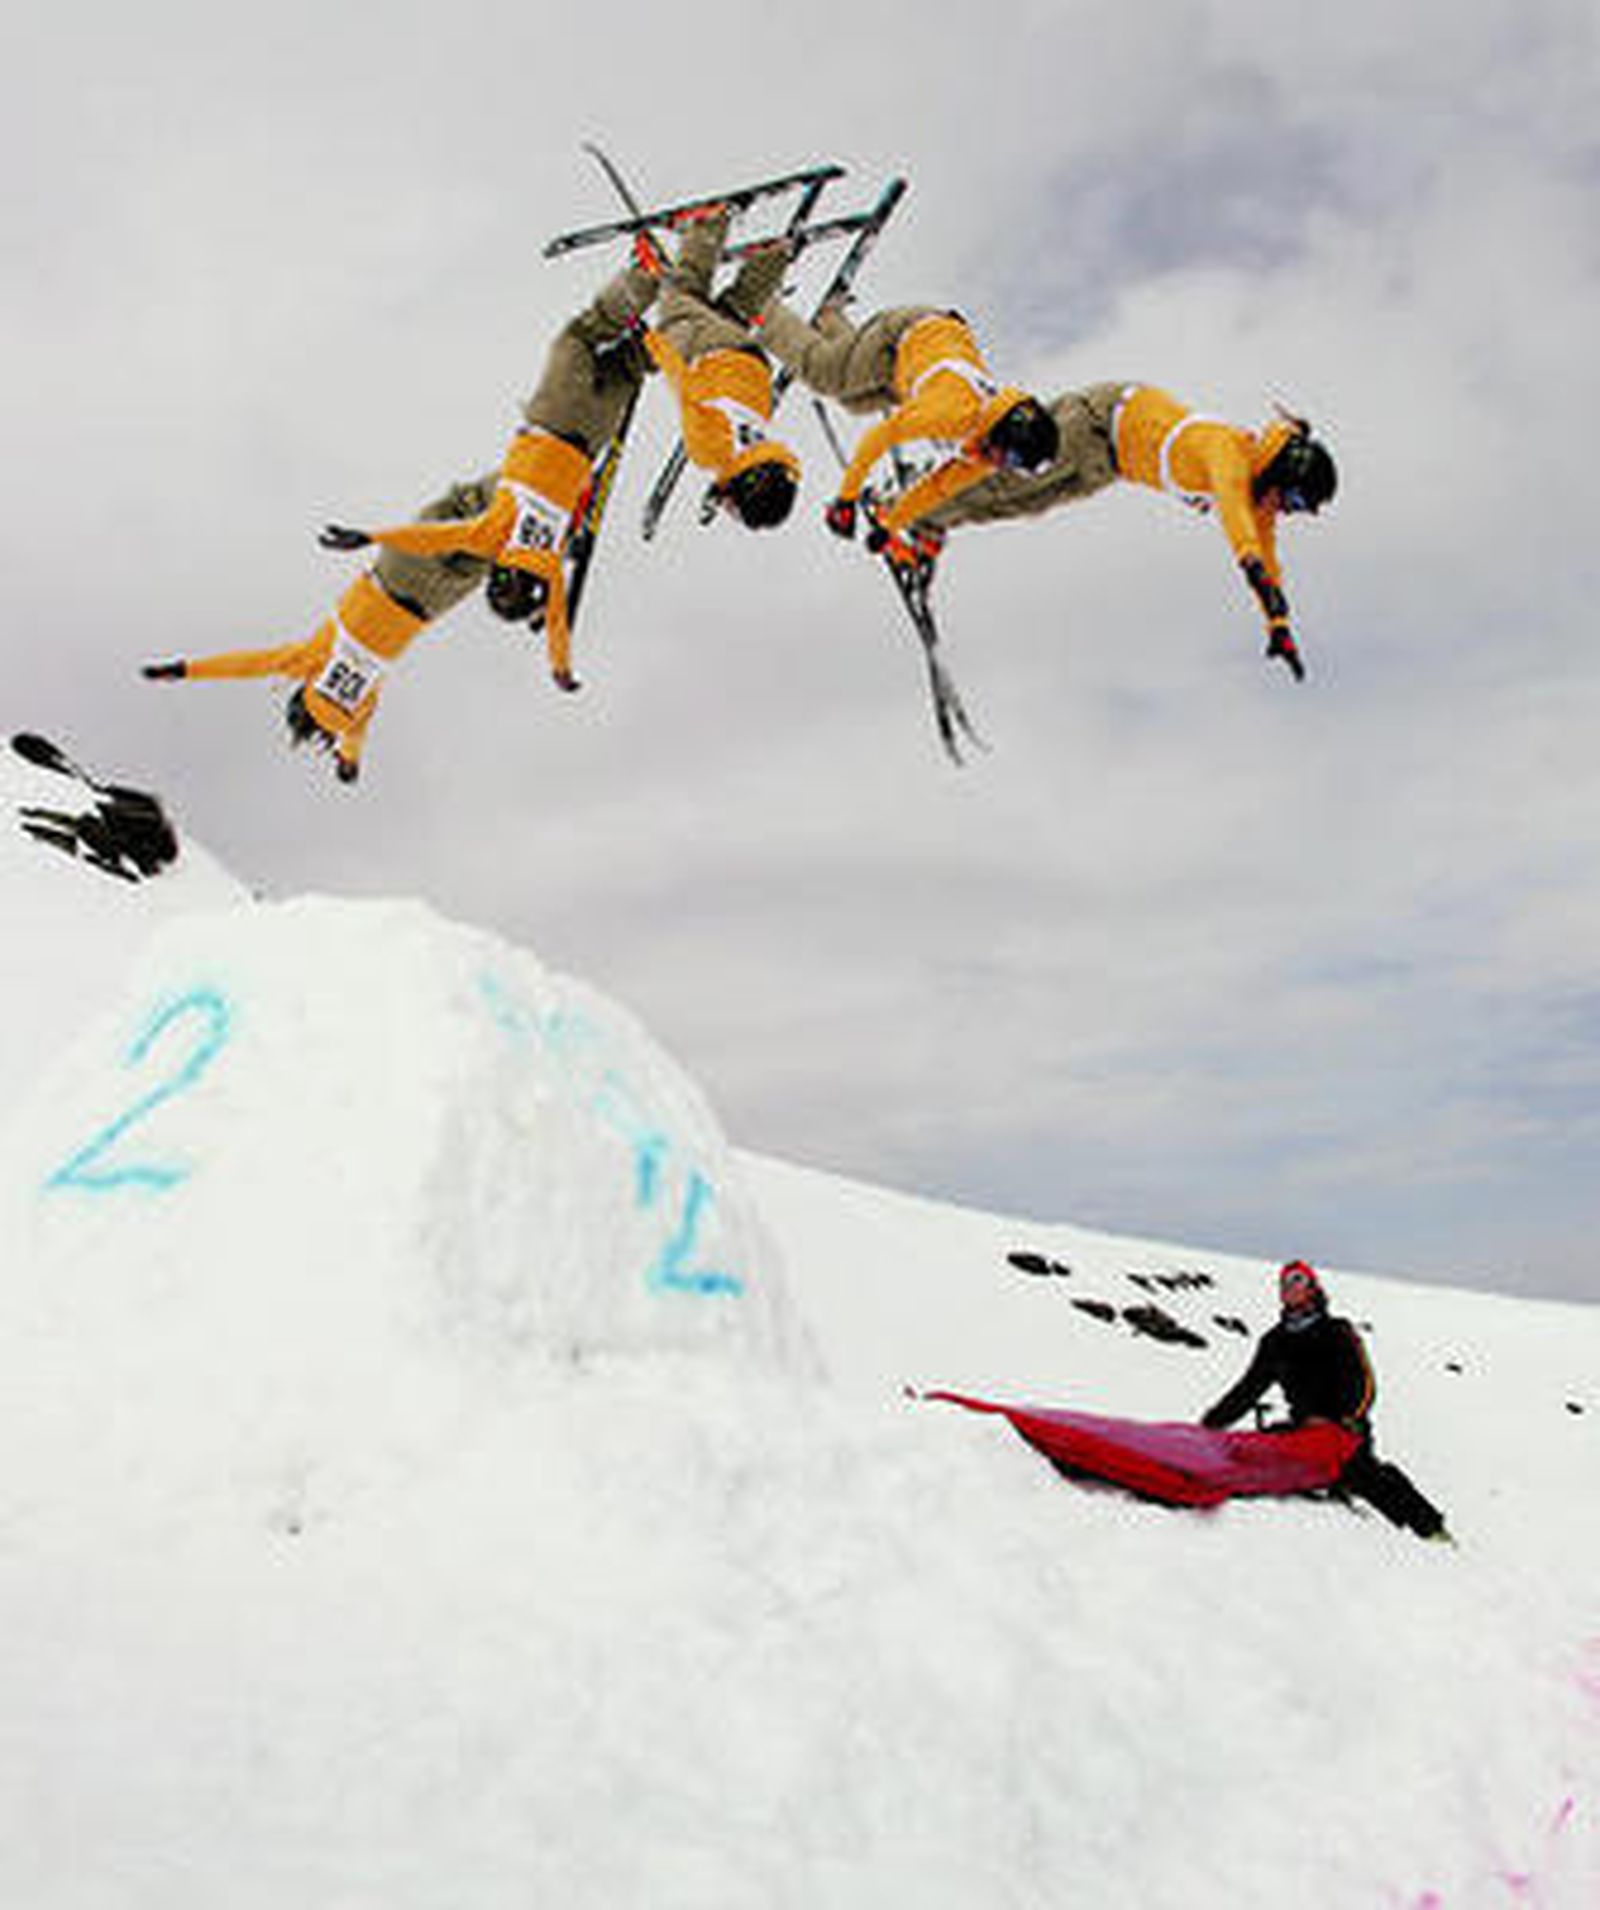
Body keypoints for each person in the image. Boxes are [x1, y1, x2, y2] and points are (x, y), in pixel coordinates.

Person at [912, 381, 1337, 681]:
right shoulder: (1229, 452)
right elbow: (1233, 512)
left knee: (1024, 503)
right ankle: (913, 497)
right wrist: (1249, 562)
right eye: (1296, 501)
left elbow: (1266, 551)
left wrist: (1278, 624)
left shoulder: (1258, 496)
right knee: (1011, 480)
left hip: (1112, 463)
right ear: (1286, 471)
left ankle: (931, 521)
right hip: (1098, 422)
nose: (1289, 511)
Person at [755, 295, 1059, 544]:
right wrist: (845, 499)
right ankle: (761, 307)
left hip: (913, 367)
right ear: (1008, 430)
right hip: (903, 334)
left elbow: (937, 488)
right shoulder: (952, 414)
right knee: (826, 375)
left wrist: (889, 525)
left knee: (854, 402)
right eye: (1012, 456)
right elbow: (880, 437)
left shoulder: (985, 449)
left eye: (1014, 464)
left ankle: (829, 318)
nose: (1003, 464)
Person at [1202, 1260, 1451, 1540]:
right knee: (1260, 1447)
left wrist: (1345, 1419)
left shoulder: (1338, 1332)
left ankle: (1430, 1529)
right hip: (1303, 1429)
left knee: (1370, 1477)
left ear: (1312, 1288)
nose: (1290, 1289)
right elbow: (1248, 1389)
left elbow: (1364, 1385)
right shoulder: (1275, 1341)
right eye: (1284, 1284)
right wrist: (1210, 1425)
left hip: (1346, 1430)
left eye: (1298, 1281)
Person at [642, 205, 800, 529]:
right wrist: (653, 344)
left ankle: (775, 258)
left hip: (750, 363)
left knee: (730, 310)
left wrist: (719, 489)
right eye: (735, 507)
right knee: (680, 299)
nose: (728, 507)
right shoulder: (708, 453)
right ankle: (709, 224)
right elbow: (686, 391)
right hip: (708, 354)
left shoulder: (763, 444)